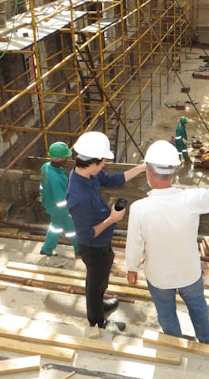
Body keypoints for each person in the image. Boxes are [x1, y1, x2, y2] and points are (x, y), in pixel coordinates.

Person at [124, 140, 209, 344]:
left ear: (148, 172)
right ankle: (205, 336)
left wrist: (131, 268)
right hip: (189, 272)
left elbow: (134, 244)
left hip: (158, 276)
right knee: (197, 306)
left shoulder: (140, 208)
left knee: (166, 312)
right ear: (174, 172)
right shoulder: (190, 199)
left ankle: (174, 341)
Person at [66, 131, 146, 331]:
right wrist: (112, 219)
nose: (104, 165)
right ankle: (97, 320)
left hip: (102, 242)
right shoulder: (78, 197)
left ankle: (99, 304)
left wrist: (141, 168)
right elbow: (85, 235)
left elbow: (113, 180)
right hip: (93, 246)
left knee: (99, 278)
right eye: (102, 162)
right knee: (95, 282)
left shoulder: (87, 173)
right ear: (92, 162)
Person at [39, 142, 78, 257]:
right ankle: (80, 250)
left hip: (50, 205)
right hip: (60, 210)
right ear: (59, 159)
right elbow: (60, 200)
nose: (67, 159)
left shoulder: (46, 166)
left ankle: (46, 249)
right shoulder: (55, 177)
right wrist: (69, 212)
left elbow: (43, 186)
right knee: (73, 229)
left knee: (55, 227)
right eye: (66, 157)